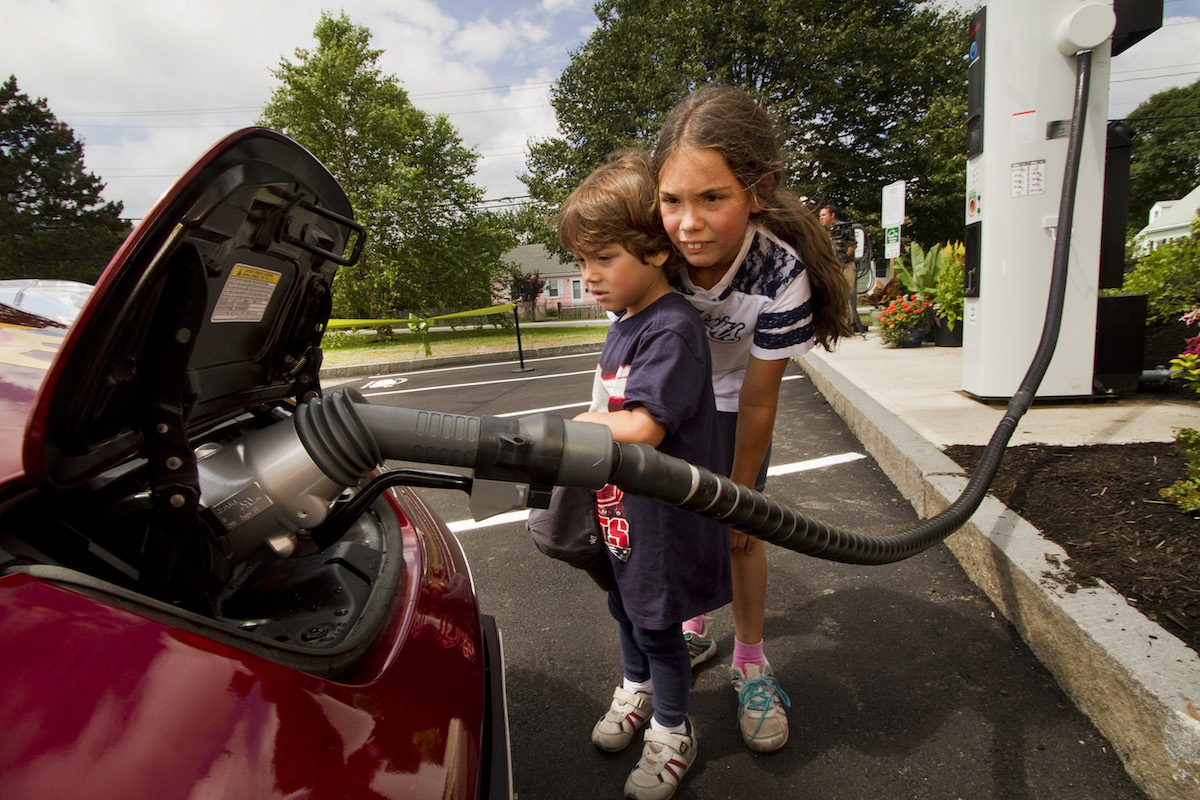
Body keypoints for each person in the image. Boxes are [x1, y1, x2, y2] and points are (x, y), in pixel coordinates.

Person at [651, 85, 852, 754]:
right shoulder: (655, 253)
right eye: (672, 199)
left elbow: (762, 398)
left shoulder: (779, 271)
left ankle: (751, 660)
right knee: (676, 522)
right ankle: (691, 625)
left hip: (737, 393)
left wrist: (742, 498)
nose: (689, 222)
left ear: (758, 190)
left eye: (714, 198)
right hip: (676, 394)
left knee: (741, 532)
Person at [558, 149, 733, 800]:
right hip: (621, 509)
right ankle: (634, 690)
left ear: (656, 253)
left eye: (603, 259)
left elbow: (644, 426)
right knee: (622, 607)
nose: (590, 275)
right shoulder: (625, 323)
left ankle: (671, 728)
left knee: (659, 625)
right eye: (582, 262)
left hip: (662, 521)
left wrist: (573, 427)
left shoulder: (672, 328)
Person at [819, 204, 869, 334]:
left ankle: (847, 326)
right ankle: (837, 325)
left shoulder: (844, 227)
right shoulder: (824, 231)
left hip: (846, 265)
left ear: (832, 215)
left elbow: (853, 245)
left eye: (824, 215)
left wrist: (843, 257)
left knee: (845, 294)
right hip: (833, 267)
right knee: (834, 295)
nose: (821, 218)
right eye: (820, 216)